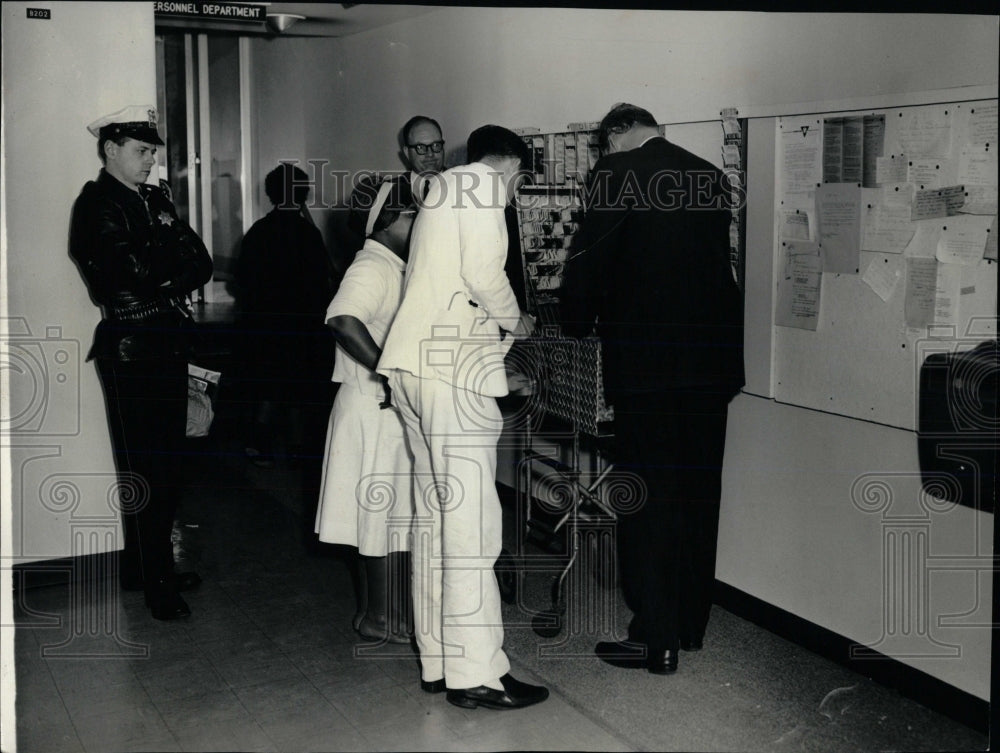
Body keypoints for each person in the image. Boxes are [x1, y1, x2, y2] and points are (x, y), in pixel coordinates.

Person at [560, 103, 745, 674]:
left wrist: (572, 318)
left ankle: (654, 638)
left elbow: (590, 265)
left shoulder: (615, 173)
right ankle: (689, 626)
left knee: (648, 501)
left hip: (650, 374)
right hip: (712, 370)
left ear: (614, 137)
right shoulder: (710, 175)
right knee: (697, 496)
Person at [377, 125, 547, 710]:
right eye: (519, 182)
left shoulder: (442, 190)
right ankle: (477, 674)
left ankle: (438, 658)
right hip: (451, 374)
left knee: (433, 517)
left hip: (410, 369)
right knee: (472, 525)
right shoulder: (481, 187)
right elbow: (483, 273)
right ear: (512, 169)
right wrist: (519, 320)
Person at [69, 105, 213, 620]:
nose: (151, 160)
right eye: (141, 150)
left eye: (152, 151)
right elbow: (122, 274)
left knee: (166, 465)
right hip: (132, 345)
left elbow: (202, 262)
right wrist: (166, 252)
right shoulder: (98, 204)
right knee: (147, 468)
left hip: (163, 338)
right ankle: (156, 582)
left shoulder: (151, 199)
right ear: (110, 149)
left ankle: (143, 568)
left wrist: (162, 259)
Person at [314, 176, 416, 644]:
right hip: (369, 408)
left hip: (385, 410)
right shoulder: (371, 267)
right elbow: (342, 319)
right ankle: (379, 617)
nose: (421, 224)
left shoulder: (394, 264)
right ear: (390, 220)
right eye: (414, 215)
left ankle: (391, 613)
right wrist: (387, 369)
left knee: (394, 519)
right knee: (377, 520)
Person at [233, 164, 336, 468]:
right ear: (303, 194)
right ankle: (296, 449)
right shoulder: (309, 234)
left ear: (270, 194)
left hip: (265, 326)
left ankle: (261, 447)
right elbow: (323, 282)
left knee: (269, 388)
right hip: (303, 328)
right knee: (298, 392)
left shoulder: (258, 232)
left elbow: (242, 279)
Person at [400, 115, 446, 203]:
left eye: (436, 145)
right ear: (407, 153)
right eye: (420, 147)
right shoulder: (389, 190)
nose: (430, 154)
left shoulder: (461, 186)